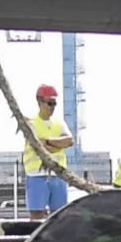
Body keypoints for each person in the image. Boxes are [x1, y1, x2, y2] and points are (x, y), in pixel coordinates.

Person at [21, 84, 74, 220]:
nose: (52, 107)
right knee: (37, 214)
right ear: (40, 102)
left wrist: (49, 142)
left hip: (57, 174)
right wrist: (58, 144)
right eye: (49, 103)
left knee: (59, 215)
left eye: (54, 103)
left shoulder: (59, 123)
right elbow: (38, 145)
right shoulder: (30, 123)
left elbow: (69, 141)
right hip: (36, 175)